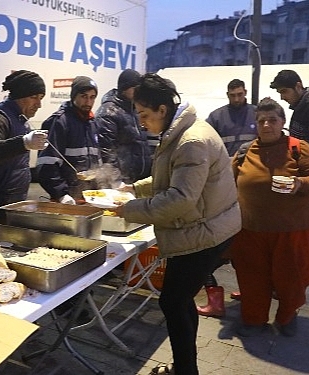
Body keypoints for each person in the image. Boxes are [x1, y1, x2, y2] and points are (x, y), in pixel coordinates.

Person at [114, 73, 241, 375]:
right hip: (207, 226)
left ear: (162, 110)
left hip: (204, 233)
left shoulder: (191, 141)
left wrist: (129, 210)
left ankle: (186, 370)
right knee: (179, 301)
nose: (142, 122)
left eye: (145, 115)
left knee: (173, 302)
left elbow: (180, 199)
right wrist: (135, 189)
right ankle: (186, 368)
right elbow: (169, 177)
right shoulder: (180, 132)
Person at [230, 97, 309, 338]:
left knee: (291, 278)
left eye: (272, 120)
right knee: (251, 278)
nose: (266, 125)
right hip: (250, 229)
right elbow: (227, 182)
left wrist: (299, 183)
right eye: (261, 121)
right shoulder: (245, 152)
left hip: (292, 229)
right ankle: (253, 319)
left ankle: (287, 316)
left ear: (282, 122)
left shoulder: (298, 148)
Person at [197, 78, 258, 317]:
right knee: (223, 246)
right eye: (232, 95)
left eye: (240, 94)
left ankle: (248, 288)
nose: (236, 99)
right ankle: (217, 296)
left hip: (250, 185)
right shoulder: (216, 117)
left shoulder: (256, 114)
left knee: (244, 245)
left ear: (245, 93)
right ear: (227, 94)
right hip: (223, 182)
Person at [0, 70, 48, 224]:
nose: (38, 104)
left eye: (41, 98)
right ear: (19, 96)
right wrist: (23, 143)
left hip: (12, 201)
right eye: (34, 98)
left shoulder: (20, 118)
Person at [37, 76, 101, 204]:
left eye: (92, 97)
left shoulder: (92, 123)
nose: (88, 102)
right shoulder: (59, 122)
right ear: (74, 96)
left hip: (89, 197)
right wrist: (61, 194)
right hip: (66, 199)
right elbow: (46, 164)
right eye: (84, 96)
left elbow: (97, 160)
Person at [95, 69, 152, 184]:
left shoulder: (135, 109)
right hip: (123, 181)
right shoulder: (108, 112)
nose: (139, 92)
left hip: (139, 179)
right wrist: (116, 181)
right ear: (124, 88)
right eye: (135, 88)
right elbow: (106, 151)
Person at [270, 69, 309, 168]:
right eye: (280, 93)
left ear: (298, 86)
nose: (282, 97)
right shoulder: (301, 107)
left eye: (284, 91)